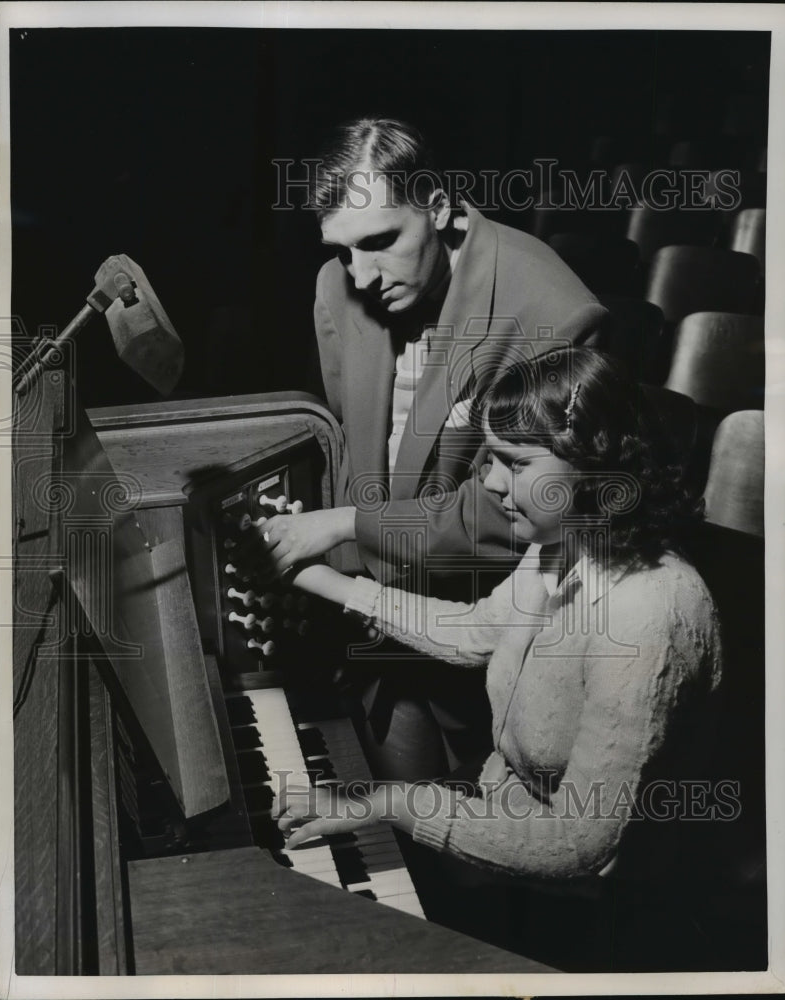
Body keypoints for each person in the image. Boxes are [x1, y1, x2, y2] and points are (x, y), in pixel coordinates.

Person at [268, 347, 724, 970]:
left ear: (593, 461)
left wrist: (386, 803)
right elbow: (475, 632)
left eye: (515, 462)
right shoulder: (566, 543)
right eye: (491, 459)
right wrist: (322, 580)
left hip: (602, 923)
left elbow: (577, 844)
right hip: (514, 855)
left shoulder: (648, 614)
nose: (489, 483)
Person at [261, 118, 608, 777]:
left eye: (381, 242)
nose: (361, 276)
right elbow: (340, 444)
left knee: (469, 855)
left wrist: (345, 531)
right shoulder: (338, 286)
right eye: (341, 250)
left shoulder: (553, 311)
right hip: (373, 632)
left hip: (491, 648)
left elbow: (509, 520)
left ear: (440, 208)